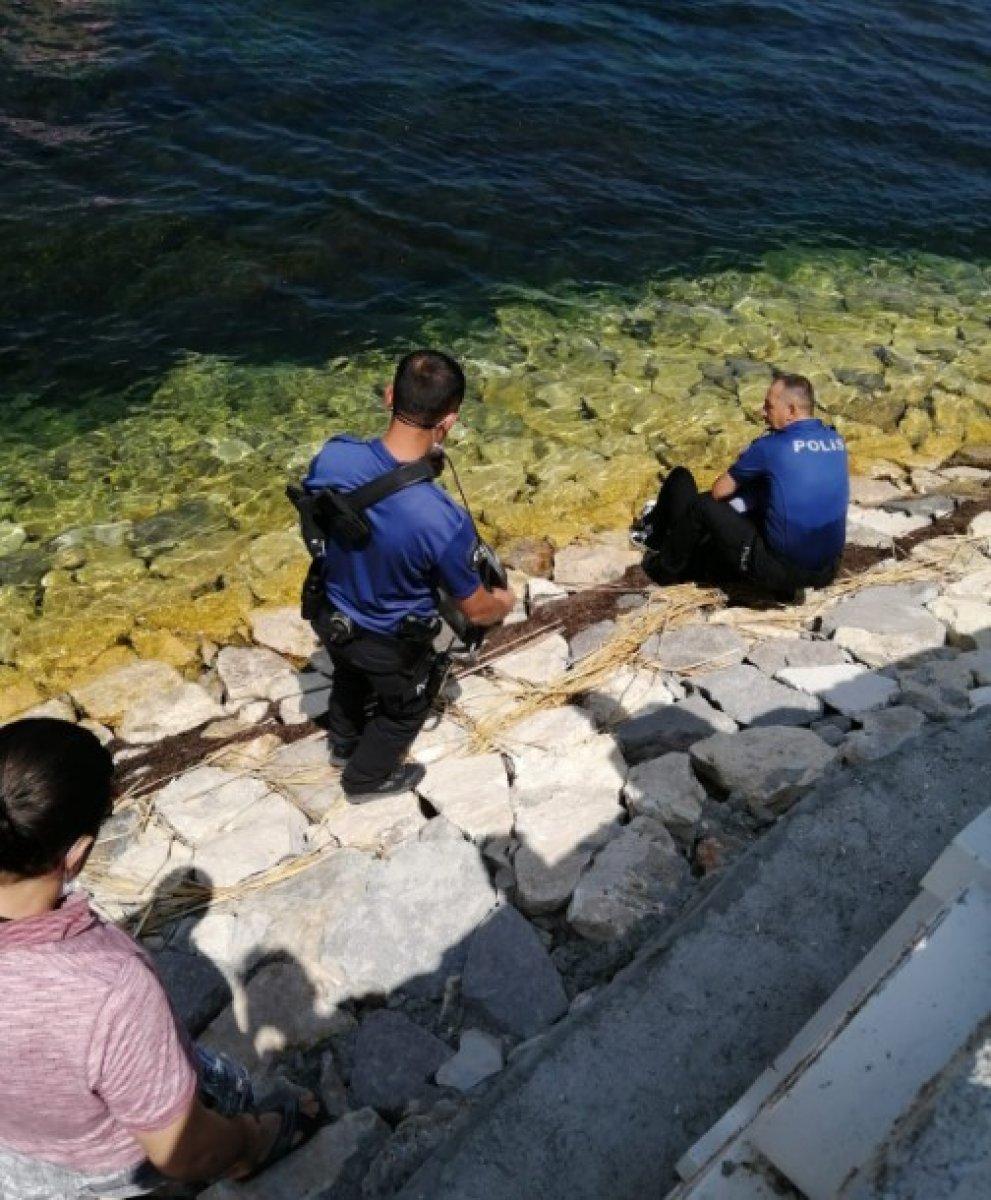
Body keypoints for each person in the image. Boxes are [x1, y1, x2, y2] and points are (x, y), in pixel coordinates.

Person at [0, 718, 319, 1200]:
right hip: (110, 1164)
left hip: (19, 1159)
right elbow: (181, 1152)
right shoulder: (109, 989)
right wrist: (248, 1139)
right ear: (77, 852)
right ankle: (257, 1144)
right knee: (223, 1102)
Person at [304, 349, 515, 799]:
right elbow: (478, 611)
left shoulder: (333, 456)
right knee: (405, 709)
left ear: (389, 396)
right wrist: (505, 602)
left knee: (348, 672)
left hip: (330, 612)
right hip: (386, 643)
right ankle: (365, 779)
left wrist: (417, 471)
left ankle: (343, 743)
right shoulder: (442, 520)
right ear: (449, 421)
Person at [637, 372, 849, 598]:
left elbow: (719, 492)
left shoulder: (770, 447)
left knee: (702, 503)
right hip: (828, 569)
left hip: (781, 571)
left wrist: (746, 459)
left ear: (791, 411)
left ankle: (662, 571)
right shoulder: (836, 440)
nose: (762, 412)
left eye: (769, 406)